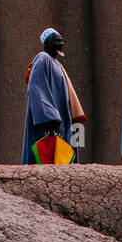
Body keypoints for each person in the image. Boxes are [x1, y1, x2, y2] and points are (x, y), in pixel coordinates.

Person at [21, 28, 74, 164]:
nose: (60, 44)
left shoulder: (57, 64)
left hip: (59, 120)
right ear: (47, 43)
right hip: (47, 123)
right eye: (57, 41)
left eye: (61, 41)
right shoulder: (42, 58)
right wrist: (50, 117)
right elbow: (36, 87)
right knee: (42, 156)